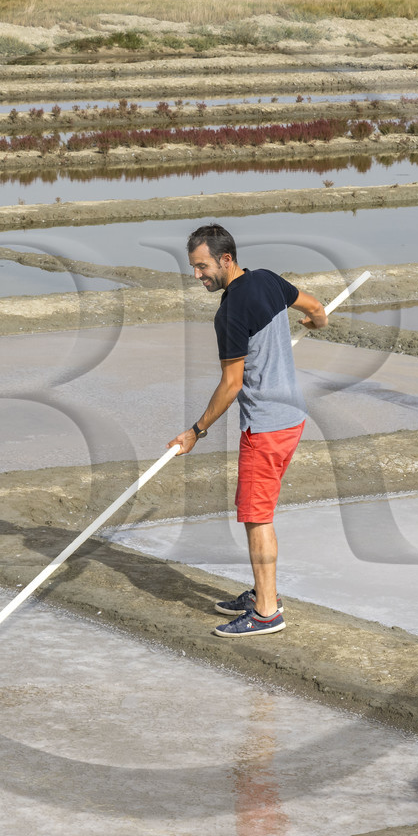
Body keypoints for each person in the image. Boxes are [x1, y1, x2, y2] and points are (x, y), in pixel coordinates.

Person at [167, 224, 328, 637]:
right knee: (260, 513)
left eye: (202, 267)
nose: (198, 276)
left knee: (257, 517)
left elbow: (232, 384)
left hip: (266, 427)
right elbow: (316, 308)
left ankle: (267, 612)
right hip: (292, 418)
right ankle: (262, 591)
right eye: (194, 269)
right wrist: (315, 322)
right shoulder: (267, 280)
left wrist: (195, 431)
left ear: (225, 259)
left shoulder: (230, 313)